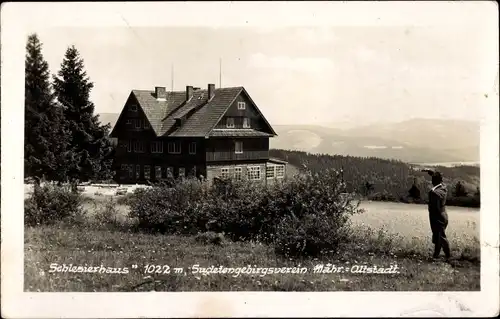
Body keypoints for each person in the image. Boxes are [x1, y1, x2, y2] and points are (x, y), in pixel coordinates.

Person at [422, 169, 451, 261]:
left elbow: (435, 198)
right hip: (442, 215)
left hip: (438, 216)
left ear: (436, 181)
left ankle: (448, 256)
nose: (431, 181)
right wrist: (432, 173)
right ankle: (436, 255)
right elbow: (439, 182)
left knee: (441, 236)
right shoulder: (443, 187)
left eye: (433, 179)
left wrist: (431, 193)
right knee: (437, 236)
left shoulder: (435, 192)